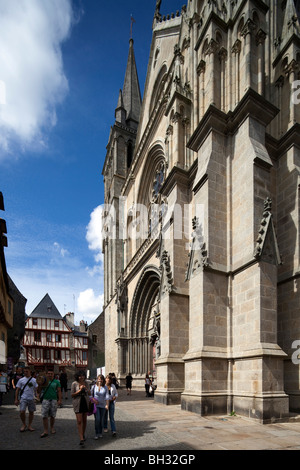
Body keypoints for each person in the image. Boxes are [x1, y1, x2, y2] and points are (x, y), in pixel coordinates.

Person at [38, 370, 62, 438]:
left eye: (51, 374)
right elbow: (38, 391)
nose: (50, 375)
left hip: (54, 399)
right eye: (48, 374)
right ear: (46, 374)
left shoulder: (57, 382)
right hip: (45, 399)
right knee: (44, 415)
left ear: (53, 374)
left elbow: (59, 391)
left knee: (52, 415)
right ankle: (45, 430)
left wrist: (59, 399)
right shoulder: (44, 381)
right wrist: (40, 385)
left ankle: (52, 427)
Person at [14, 366, 38, 432]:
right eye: (24, 371)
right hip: (23, 398)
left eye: (27, 371)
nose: (25, 373)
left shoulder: (34, 380)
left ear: (30, 371)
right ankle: (24, 424)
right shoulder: (21, 380)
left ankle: (29, 425)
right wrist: (16, 399)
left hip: (31, 398)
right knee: (22, 412)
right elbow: (17, 390)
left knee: (31, 412)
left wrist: (37, 396)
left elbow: (37, 389)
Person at [71, 370, 91, 446]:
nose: (81, 377)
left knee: (84, 420)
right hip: (77, 403)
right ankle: (81, 438)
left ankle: (83, 434)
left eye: (83, 375)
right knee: (79, 421)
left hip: (85, 402)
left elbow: (89, 393)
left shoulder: (86, 383)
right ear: (77, 376)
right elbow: (72, 395)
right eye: (80, 376)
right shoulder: (74, 383)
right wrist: (79, 391)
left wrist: (86, 388)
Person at [92, 374, 109, 439]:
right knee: (97, 419)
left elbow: (107, 396)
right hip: (96, 405)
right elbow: (90, 395)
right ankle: (96, 433)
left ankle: (100, 432)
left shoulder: (105, 387)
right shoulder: (94, 387)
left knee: (101, 420)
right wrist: (94, 400)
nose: (100, 380)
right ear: (97, 379)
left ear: (103, 380)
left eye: (101, 379)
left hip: (103, 405)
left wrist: (107, 405)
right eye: (99, 379)